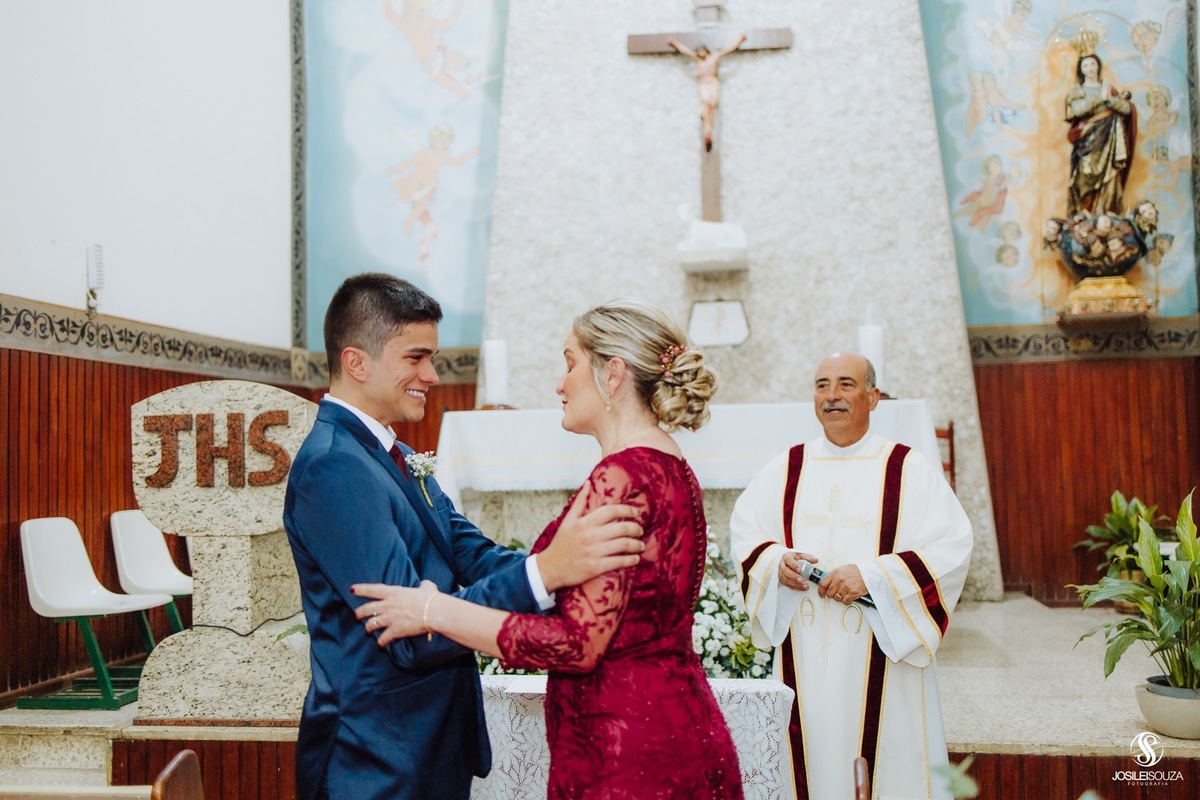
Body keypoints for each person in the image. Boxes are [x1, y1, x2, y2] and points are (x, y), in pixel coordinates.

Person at [353, 299, 746, 799]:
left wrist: (433, 609)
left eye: (570, 363)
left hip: (625, 746)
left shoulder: (622, 476)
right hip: (677, 719)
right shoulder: (671, 466)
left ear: (614, 373)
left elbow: (575, 645)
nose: (560, 383)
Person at [283, 274, 646, 800]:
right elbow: (404, 635)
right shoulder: (333, 467)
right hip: (375, 760)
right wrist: (547, 573)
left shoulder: (398, 456)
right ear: (356, 362)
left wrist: (578, 575)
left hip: (424, 747)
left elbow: (472, 554)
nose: (431, 375)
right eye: (416, 357)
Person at [730, 352, 973, 800]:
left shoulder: (907, 468)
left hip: (881, 649)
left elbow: (952, 545)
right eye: (822, 385)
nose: (832, 396)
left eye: (846, 384)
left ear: (874, 397)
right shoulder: (788, 467)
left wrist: (873, 577)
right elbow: (746, 533)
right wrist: (774, 561)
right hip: (802, 647)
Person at [1065, 47, 1136, 217]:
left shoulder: (1108, 88)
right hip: (1088, 138)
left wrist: (1110, 99)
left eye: (1093, 64)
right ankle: (1083, 213)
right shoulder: (1077, 89)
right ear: (1081, 70)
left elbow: (1126, 109)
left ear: (1098, 66)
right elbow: (1075, 110)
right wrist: (1099, 97)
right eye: (1086, 65)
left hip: (1110, 135)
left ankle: (1107, 214)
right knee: (1085, 174)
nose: (1090, 68)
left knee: (1110, 176)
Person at [666, 34, 748, 151]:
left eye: (701, 51)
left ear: (706, 50)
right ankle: (708, 131)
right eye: (698, 52)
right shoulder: (697, 59)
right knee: (706, 102)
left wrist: (739, 41)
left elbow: (728, 49)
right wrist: (675, 44)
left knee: (711, 104)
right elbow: (685, 51)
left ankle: (708, 130)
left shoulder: (714, 57)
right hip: (703, 84)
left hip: (712, 83)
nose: (700, 53)